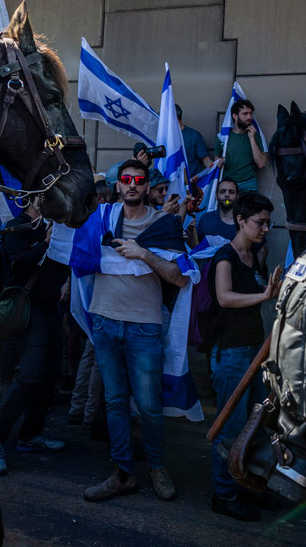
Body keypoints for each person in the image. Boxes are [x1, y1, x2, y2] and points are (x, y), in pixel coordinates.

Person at [83, 159, 190, 503]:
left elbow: (179, 277)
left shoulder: (163, 224)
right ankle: (122, 473)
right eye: (126, 179)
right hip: (104, 321)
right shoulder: (100, 218)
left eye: (139, 180)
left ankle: (157, 468)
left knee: (148, 406)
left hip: (144, 326)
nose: (132, 184)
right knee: (114, 402)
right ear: (118, 185)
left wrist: (143, 254)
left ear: (147, 186)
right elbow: (78, 254)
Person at [0, 200, 70, 475]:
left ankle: (30, 435)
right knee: (29, 377)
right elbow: (18, 267)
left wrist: (66, 279)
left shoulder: (56, 226)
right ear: (33, 198)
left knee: (50, 375)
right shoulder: (16, 227)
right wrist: (45, 242)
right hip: (28, 309)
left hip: (51, 307)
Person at [208, 192, 282, 521]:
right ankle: (224, 494)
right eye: (260, 222)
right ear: (240, 220)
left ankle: (247, 485)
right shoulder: (225, 256)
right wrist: (265, 295)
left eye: (268, 223)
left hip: (254, 351)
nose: (265, 228)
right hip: (231, 353)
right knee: (231, 429)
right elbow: (224, 298)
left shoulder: (255, 255)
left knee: (256, 425)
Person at [215, 99, 267, 192]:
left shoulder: (256, 136)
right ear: (235, 116)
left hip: (249, 184)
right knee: (227, 201)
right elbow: (216, 160)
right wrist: (218, 163)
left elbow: (261, 163)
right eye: (245, 114)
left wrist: (252, 138)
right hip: (228, 184)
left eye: (250, 113)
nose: (249, 117)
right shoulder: (223, 137)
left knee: (251, 202)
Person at [177, 103, 213, 178]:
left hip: (191, 182)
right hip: (168, 183)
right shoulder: (162, 137)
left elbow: (206, 160)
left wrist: (215, 166)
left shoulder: (193, 135)